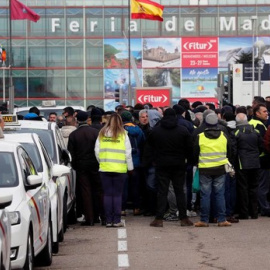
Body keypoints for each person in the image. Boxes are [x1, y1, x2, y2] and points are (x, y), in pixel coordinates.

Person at [144, 108, 193, 227]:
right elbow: (190, 148)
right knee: (179, 191)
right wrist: (189, 161)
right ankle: (183, 218)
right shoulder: (182, 130)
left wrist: (150, 162)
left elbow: (149, 148)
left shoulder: (156, 131)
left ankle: (159, 218)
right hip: (179, 164)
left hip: (161, 164)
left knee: (162, 191)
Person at [95, 113, 134, 227]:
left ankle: (108, 220)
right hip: (120, 169)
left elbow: (97, 151)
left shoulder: (102, 134)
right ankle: (116, 220)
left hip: (105, 167)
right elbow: (128, 153)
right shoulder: (123, 135)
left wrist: (102, 162)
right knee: (117, 195)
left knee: (107, 195)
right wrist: (130, 168)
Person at [194, 113, 232, 227]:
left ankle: (204, 220)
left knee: (205, 195)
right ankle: (221, 219)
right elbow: (230, 151)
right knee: (220, 194)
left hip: (205, 169)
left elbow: (194, 153)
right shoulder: (224, 136)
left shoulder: (200, 136)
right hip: (220, 168)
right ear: (217, 123)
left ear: (205, 123)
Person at [68, 111, 104, 226]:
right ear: (88, 119)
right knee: (98, 190)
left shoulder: (74, 135)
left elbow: (70, 153)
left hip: (81, 166)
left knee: (85, 191)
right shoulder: (96, 133)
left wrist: (74, 165)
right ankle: (101, 216)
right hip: (96, 164)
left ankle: (89, 218)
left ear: (77, 120)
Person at [234, 113, 263, 219]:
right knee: (254, 187)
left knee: (243, 188)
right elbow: (261, 146)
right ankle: (254, 212)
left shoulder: (236, 132)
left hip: (242, 163)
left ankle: (244, 213)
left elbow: (234, 149)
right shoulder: (256, 132)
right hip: (255, 162)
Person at [120, 110, 145, 216]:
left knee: (123, 186)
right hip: (136, 161)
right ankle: (136, 208)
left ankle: (122, 209)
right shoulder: (138, 129)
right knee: (135, 185)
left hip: (123, 161)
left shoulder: (120, 130)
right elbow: (143, 143)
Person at [249, 103, 270, 216]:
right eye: (264, 111)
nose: (267, 114)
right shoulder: (260, 126)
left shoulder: (251, 123)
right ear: (257, 113)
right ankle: (265, 208)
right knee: (263, 186)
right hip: (262, 158)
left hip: (252, 158)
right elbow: (263, 143)